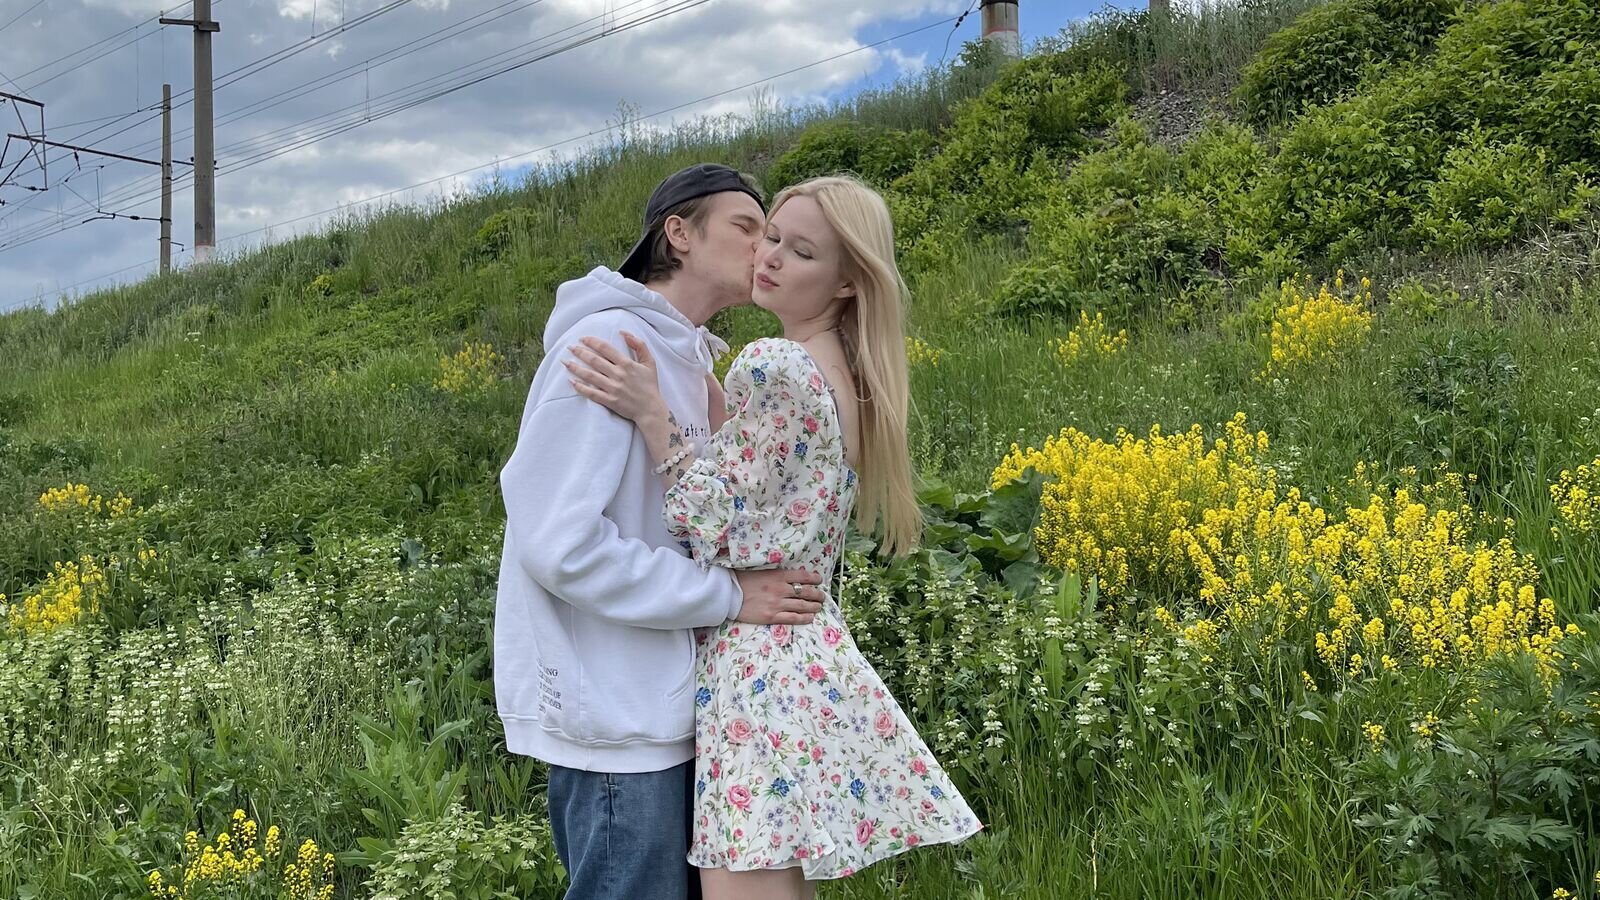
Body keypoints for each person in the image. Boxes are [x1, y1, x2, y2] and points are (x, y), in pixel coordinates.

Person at [565, 174, 981, 900]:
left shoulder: (774, 364)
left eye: (802, 252)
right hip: (807, 653)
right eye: (773, 237)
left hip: (756, 665)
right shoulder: (850, 374)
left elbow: (709, 522)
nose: (772, 257)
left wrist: (654, 416)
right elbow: (778, 500)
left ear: (848, 282)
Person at [494, 163, 831, 900]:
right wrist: (728, 596)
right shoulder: (608, 344)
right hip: (618, 720)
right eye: (747, 227)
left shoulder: (692, 363)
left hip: (673, 705)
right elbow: (560, 545)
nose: (763, 247)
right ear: (678, 233)